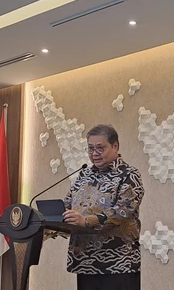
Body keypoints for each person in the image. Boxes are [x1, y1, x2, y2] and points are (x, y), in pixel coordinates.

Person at [63, 124, 144, 290]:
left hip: (118, 263)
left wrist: (86, 221)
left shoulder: (129, 175)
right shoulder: (84, 175)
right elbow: (68, 203)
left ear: (115, 146)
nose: (94, 154)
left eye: (100, 148)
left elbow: (123, 211)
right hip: (86, 262)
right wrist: (54, 219)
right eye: (90, 148)